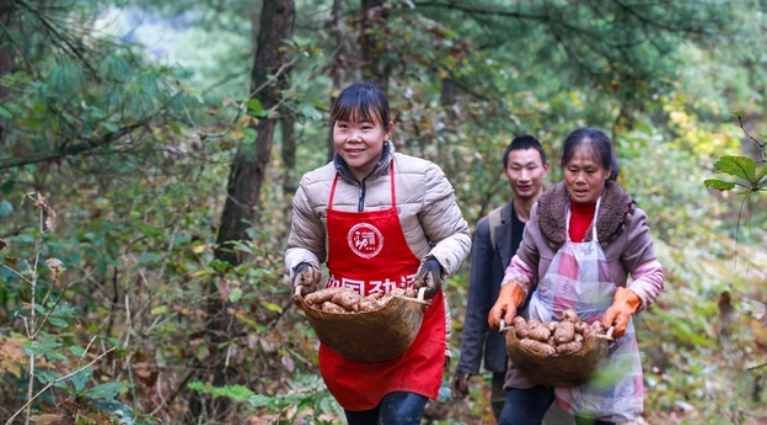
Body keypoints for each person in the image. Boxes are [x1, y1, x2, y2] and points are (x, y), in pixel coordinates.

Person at [285, 82, 471, 425]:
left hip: (412, 329)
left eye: (365, 127)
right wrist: (302, 266)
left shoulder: (422, 178)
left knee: (400, 419)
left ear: (387, 130)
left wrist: (436, 263)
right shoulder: (314, 185)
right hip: (349, 332)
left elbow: (457, 235)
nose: (353, 137)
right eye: (344, 127)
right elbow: (302, 245)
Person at [488, 127, 665, 425]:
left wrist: (627, 302)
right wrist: (509, 293)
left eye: (590, 171)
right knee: (514, 420)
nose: (580, 179)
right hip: (542, 340)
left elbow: (650, 272)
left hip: (601, 343)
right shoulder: (545, 210)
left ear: (607, 171)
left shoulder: (626, 217)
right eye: (573, 170)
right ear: (562, 169)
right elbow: (524, 263)